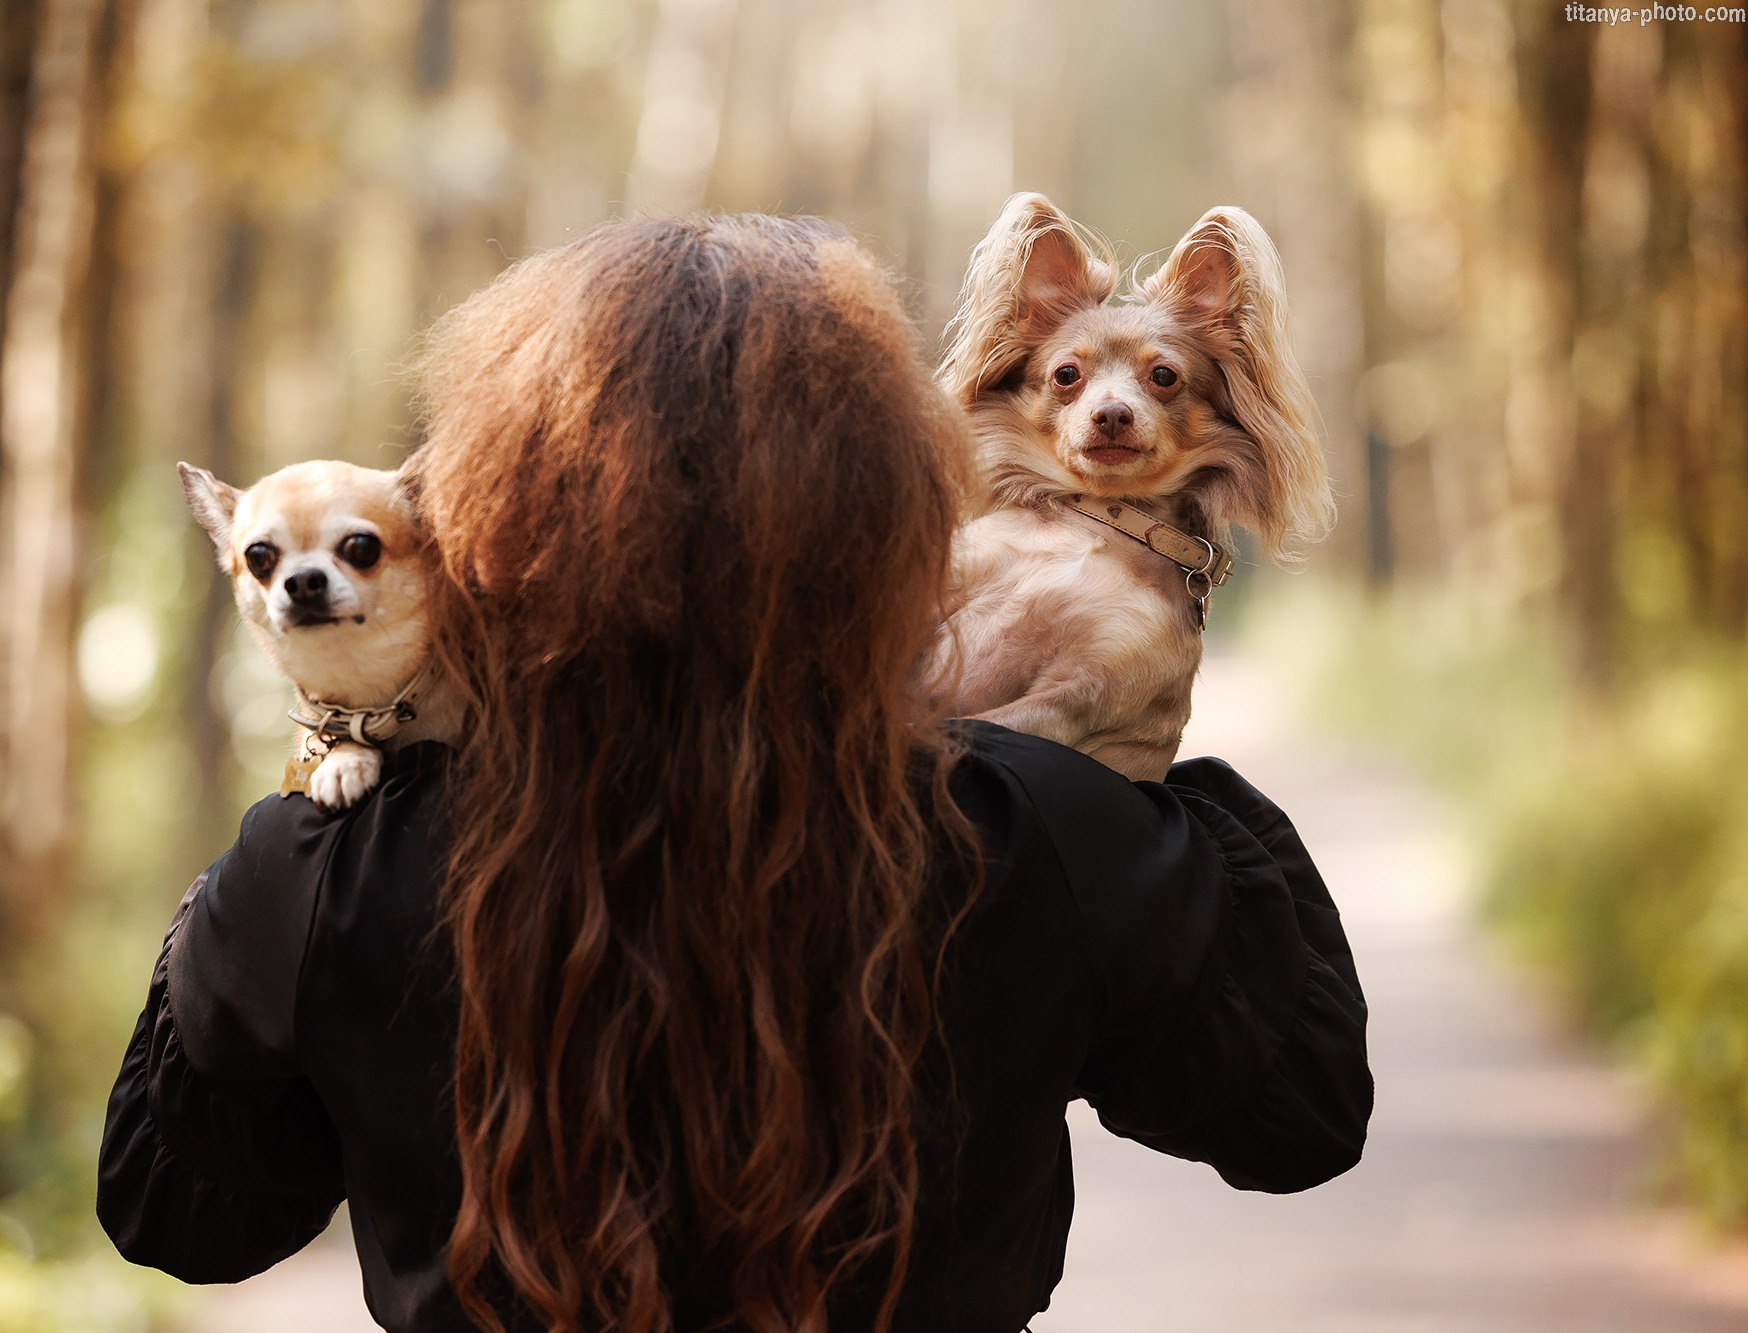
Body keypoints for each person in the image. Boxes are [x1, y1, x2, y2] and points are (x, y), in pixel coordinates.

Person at [96, 215, 1371, 1333]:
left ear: (487, 527)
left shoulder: (330, 863)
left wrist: (268, 876)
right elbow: (1298, 1112)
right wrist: (1159, 762)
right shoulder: (1046, 824)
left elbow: (178, 1212)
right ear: (889, 517)